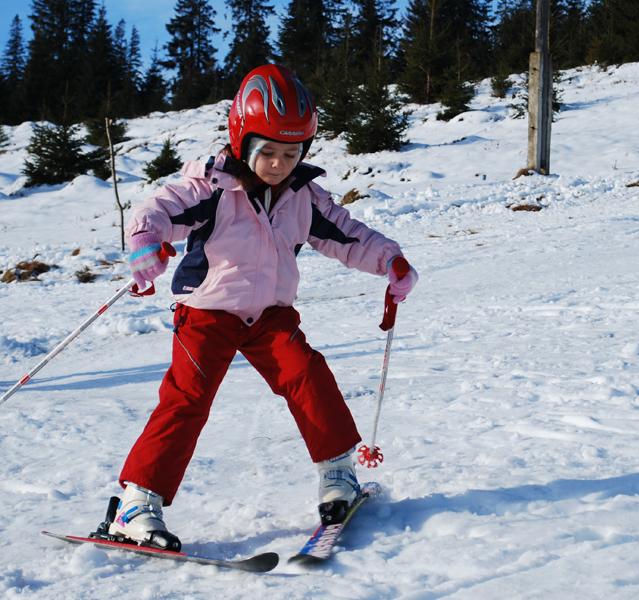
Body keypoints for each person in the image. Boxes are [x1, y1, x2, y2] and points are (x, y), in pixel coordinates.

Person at [108, 64, 418, 551]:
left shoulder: (303, 197)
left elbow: (348, 234)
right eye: (267, 151)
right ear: (241, 140)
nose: (278, 163)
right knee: (187, 400)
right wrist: (146, 238)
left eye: (291, 153)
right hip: (207, 313)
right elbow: (161, 207)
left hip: (269, 315)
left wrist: (390, 259)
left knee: (309, 377)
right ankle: (136, 503)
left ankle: (338, 475)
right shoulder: (211, 188)